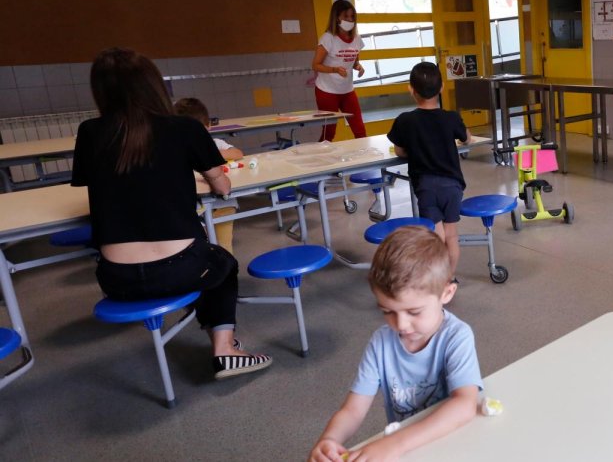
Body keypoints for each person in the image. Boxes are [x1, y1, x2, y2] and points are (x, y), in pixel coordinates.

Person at [71, 48, 271, 379]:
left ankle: (216, 337)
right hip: (182, 269)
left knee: (203, 264)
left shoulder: (90, 132)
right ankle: (224, 349)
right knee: (220, 264)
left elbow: (98, 182)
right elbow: (222, 187)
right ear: (154, 86)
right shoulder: (183, 128)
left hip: (115, 279)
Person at [309, 226, 481, 461]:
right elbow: (353, 410)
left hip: (450, 444)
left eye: (414, 312)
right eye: (387, 311)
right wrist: (329, 440)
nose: (401, 325)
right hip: (407, 451)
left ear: (447, 293)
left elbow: (465, 404)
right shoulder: (380, 343)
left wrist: (394, 444)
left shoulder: (457, 336)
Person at [387, 62, 468, 276]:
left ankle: (435, 280)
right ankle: (449, 278)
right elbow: (466, 138)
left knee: (436, 236)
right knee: (451, 235)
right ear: (441, 88)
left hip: (426, 187)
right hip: (453, 186)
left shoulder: (405, 120)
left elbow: (399, 152)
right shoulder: (450, 117)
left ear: (411, 89)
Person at [174, 97, 242, 253]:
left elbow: (237, 153)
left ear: (208, 126)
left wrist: (209, 155)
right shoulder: (176, 150)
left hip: (223, 204)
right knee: (204, 247)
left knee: (224, 246)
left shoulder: (215, 143)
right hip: (196, 208)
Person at [312, 0, 366, 142]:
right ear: (337, 18)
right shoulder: (328, 38)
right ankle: (321, 162)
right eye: (346, 16)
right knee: (329, 132)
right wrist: (334, 69)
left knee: (360, 130)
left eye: (352, 17)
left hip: (347, 91)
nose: (350, 20)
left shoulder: (356, 39)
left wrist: (359, 67)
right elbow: (316, 65)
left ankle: (369, 162)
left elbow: (354, 62)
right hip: (327, 91)